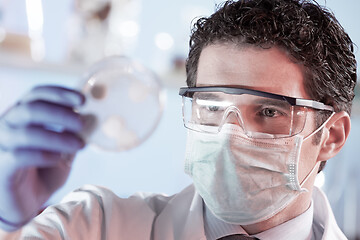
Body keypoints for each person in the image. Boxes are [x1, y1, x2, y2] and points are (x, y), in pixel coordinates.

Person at [0, 0, 357, 239]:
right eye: (212, 107)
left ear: (332, 135)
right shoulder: (96, 224)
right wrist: (9, 217)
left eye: (268, 111)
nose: (228, 135)